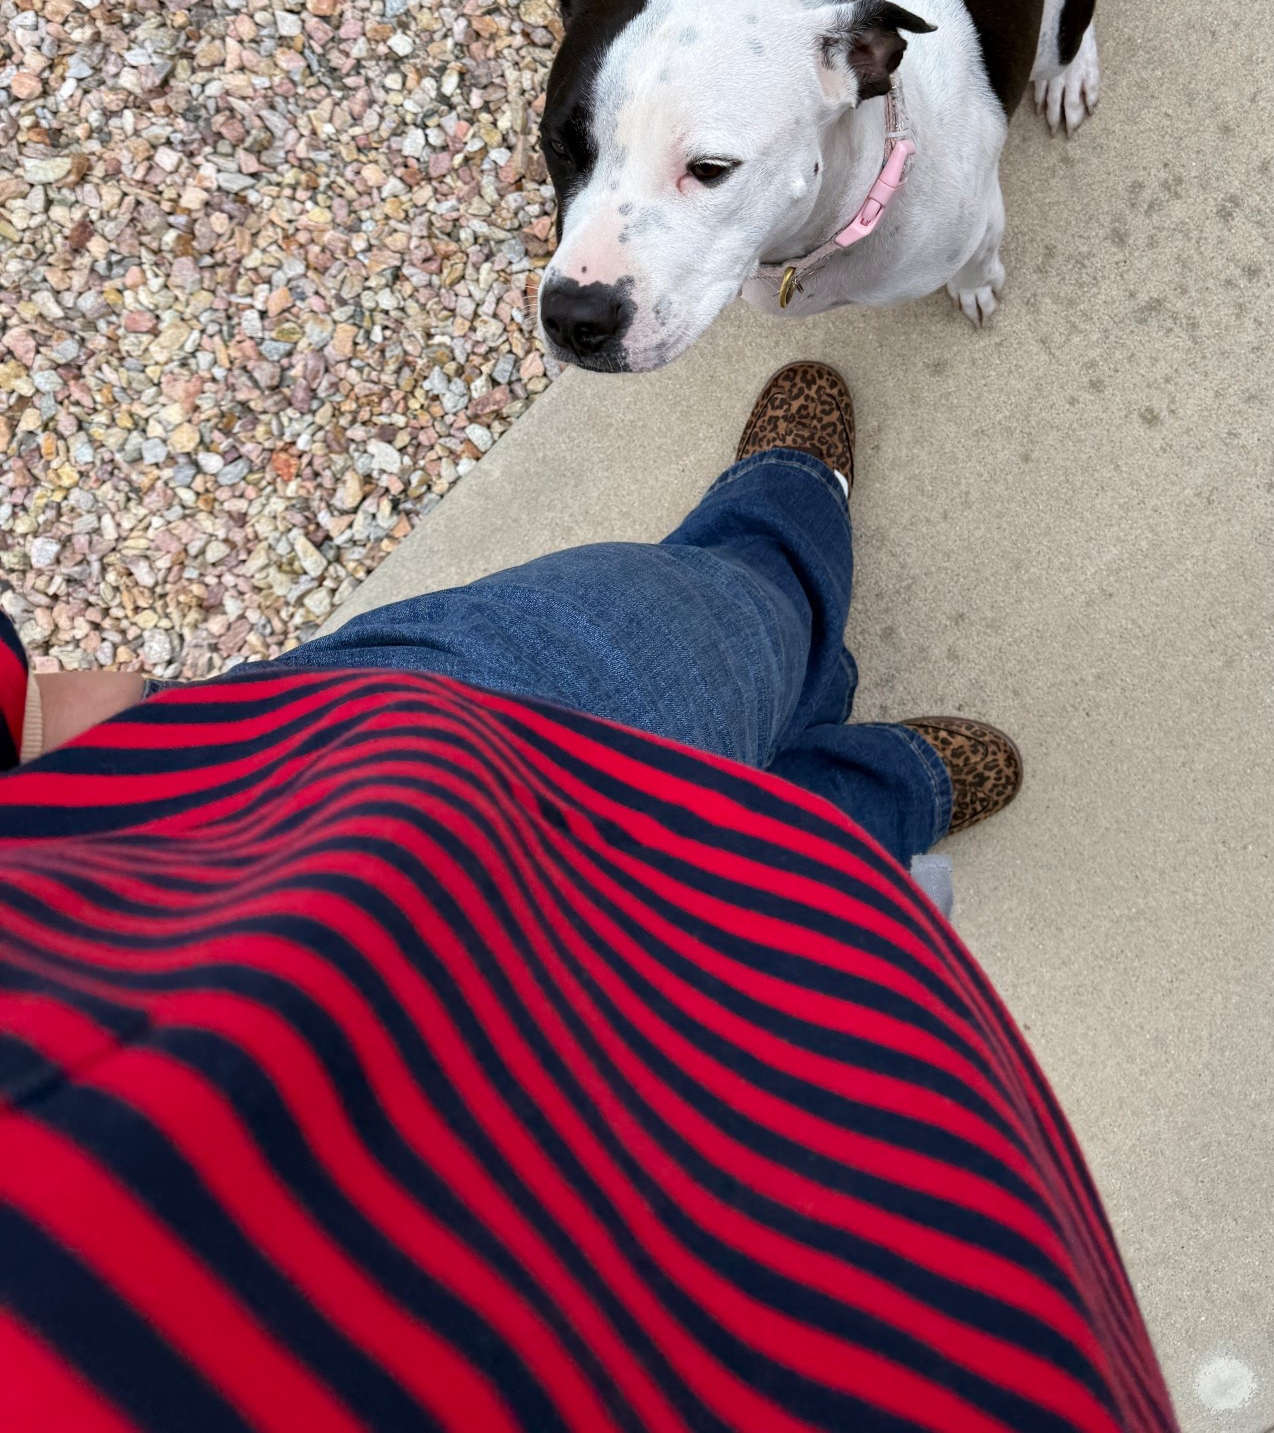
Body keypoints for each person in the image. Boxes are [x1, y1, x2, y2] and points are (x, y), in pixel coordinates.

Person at [0, 363, 1176, 1433]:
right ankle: (888, 782)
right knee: (823, 897)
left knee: (728, 617)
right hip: (737, 1246)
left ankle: (786, 513)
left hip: (357, 813)